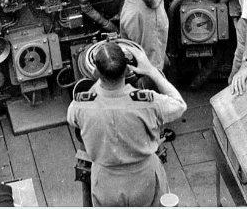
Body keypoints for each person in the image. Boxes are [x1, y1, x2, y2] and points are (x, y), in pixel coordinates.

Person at [67, 41, 187, 207]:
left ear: (97, 72)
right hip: (144, 181)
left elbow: (71, 117)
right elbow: (180, 105)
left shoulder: (81, 105)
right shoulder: (147, 102)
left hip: (106, 184)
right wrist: (151, 70)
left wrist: (97, 82)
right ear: (126, 70)